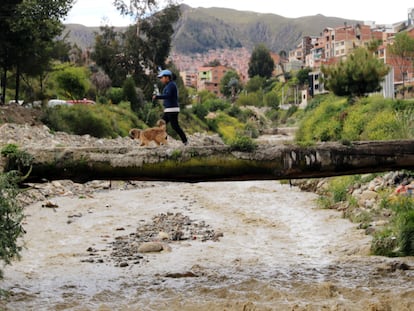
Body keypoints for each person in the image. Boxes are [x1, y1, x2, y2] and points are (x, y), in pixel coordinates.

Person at [152, 69, 188, 145]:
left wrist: (157, 97)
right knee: (161, 125)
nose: (161, 79)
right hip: (168, 110)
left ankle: (185, 142)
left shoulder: (171, 85)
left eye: (162, 78)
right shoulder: (169, 85)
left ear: (167, 77)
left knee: (175, 126)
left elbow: (168, 96)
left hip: (172, 110)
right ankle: (163, 141)